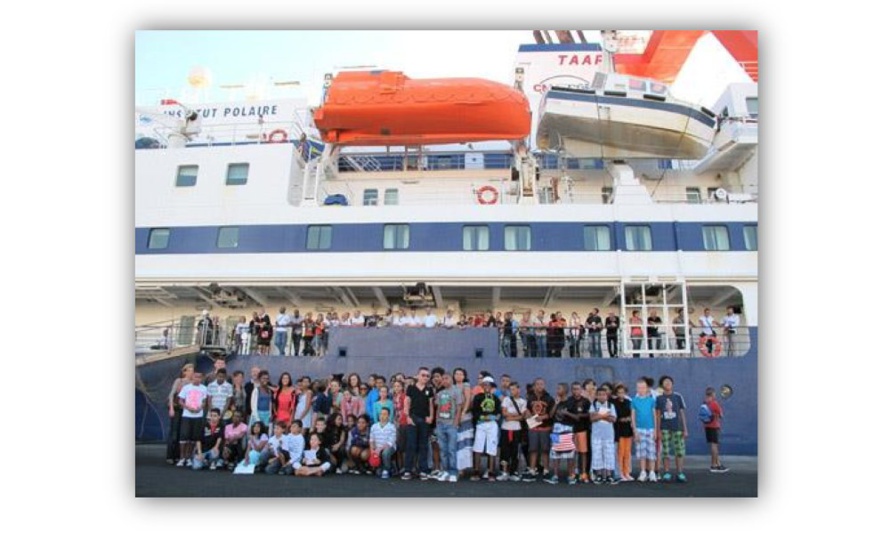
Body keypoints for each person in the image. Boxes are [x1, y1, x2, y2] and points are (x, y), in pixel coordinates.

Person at [401, 367, 434, 480]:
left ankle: (423, 470)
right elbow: (406, 403)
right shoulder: (411, 388)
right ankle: (408, 470)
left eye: (427, 376)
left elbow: (430, 405)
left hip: (424, 420)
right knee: (411, 445)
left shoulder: (429, 390)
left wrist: (431, 417)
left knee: (423, 446)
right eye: (423, 375)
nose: (425, 377)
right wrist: (408, 417)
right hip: (413, 419)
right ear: (418, 376)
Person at [656, 375, 688, 482]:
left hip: (678, 428)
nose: (667, 383)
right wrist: (658, 430)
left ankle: (680, 473)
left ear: (672, 384)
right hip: (664, 428)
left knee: (679, 452)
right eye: (665, 382)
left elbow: (682, 413)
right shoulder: (659, 399)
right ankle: (667, 472)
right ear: (662, 385)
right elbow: (658, 415)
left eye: (669, 381)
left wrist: (685, 429)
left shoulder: (678, 397)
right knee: (665, 451)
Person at [523, 377, 555, 481]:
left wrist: (542, 417)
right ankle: (532, 470)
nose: (540, 386)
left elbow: (551, 414)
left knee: (545, 450)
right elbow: (527, 410)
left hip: (545, 428)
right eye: (537, 384)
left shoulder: (549, 398)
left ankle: (546, 470)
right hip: (533, 428)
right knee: (533, 450)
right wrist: (527, 413)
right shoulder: (530, 398)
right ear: (534, 386)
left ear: (544, 385)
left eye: (541, 384)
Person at [471, 376, 501, 481]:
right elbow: (475, 411)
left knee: (492, 448)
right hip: (481, 424)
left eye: (489, 384)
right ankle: (476, 471)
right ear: (482, 386)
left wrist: (494, 417)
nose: (487, 386)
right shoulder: (478, 397)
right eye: (485, 384)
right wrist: (484, 417)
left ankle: (491, 472)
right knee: (477, 447)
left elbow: (498, 412)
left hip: (492, 425)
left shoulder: (496, 398)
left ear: (492, 386)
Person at [433, 372, 462, 483]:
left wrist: (456, 422)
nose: (444, 380)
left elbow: (459, 408)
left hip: (451, 425)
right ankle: (445, 471)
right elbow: (438, 408)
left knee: (451, 449)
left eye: (447, 378)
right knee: (443, 450)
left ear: (451, 379)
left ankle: (453, 472)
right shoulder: (440, 393)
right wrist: (436, 422)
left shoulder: (456, 391)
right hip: (440, 424)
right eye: (443, 379)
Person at [176, 371, 209, 467]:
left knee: (193, 437)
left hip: (198, 416)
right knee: (184, 436)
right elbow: (180, 401)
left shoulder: (204, 388)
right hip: (187, 415)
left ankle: (188, 457)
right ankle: (182, 458)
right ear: (192, 378)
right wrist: (188, 408)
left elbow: (204, 401)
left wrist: (200, 408)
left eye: (199, 377)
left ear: (201, 378)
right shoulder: (186, 388)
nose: (197, 379)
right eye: (195, 377)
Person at [547, 383, 578, 484]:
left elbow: (577, 417)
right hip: (556, 429)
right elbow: (551, 415)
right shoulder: (555, 401)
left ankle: (570, 476)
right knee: (555, 452)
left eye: (559, 388)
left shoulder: (571, 402)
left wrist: (567, 413)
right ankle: (555, 475)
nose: (557, 390)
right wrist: (556, 404)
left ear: (565, 390)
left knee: (570, 453)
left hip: (567, 429)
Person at [563, 382, 592, 482]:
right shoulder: (568, 401)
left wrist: (580, 416)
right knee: (571, 453)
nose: (576, 391)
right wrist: (572, 415)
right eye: (574, 389)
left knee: (583, 452)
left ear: (581, 390)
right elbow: (565, 415)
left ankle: (583, 473)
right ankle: (572, 473)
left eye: (578, 389)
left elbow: (589, 415)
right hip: (571, 430)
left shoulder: (586, 401)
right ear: (572, 390)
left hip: (582, 430)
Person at [589, 386, 618, 484]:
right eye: (599, 395)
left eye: (603, 395)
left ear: (607, 396)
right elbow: (592, 418)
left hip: (608, 435)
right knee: (597, 455)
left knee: (609, 455)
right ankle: (599, 475)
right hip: (596, 436)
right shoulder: (593, 405)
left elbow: (613, 419)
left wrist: (599, 416)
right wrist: (605, 416)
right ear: (596, 396)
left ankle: (609, 475)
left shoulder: (611, 405)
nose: (601, 397)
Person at [499, 381, 527, 481]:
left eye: (513, 389)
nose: (511, 391)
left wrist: (511, 417)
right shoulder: (506, 399)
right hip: (505, 429)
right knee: (504, 451)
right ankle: (504, 472)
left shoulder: (523, 402)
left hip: (517, 430)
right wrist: (515, 416)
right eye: (510, 389)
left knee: (515, 451)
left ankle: (513, 472)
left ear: (518, 390)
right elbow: (504, 413)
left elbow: (522, 417)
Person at [631, 378, 658, 482]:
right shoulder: (634, 401)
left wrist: (655, 430)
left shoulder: (651, 400)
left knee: (651, 452)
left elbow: (654, 415)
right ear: (636, 389)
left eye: (643, 387)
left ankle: (651, 472)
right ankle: (643, 472)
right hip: (639, 429)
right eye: (639, 387)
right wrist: (635, 431)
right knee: (642, 452)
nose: (641, 389)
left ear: (647, 389)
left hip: (650, 429)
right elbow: (633, 416)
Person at [166, 363, 193, 464]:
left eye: (192, 370)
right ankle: (170, 455)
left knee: (182, 433)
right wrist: (171, 408)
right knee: (174, 432)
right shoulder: (179, 381)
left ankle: (178, 455)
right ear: (184, 371)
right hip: (177, 408)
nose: (191, 372)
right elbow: (172, 394)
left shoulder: (192, 383)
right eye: (189, 370)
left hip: (186, 410)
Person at [702, 387, 729, 473]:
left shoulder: (704, 403)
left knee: (713, 446)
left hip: (707, 427)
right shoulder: (714, 403)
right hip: (714, 427)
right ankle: (713, 466)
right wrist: (718, 412)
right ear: (713, 394)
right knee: (715, 446)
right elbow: (721, 415)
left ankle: (718, 464)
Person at [612, 383, 634, 481]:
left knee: (627, 453)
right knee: (620, 453)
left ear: (625, 393)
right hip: (619, 430)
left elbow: (632, 414)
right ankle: (620, 473)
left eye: (623, 392)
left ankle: (626, 473)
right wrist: (621, 419)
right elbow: (615, 416)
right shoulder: (613, 403)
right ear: (616, 393)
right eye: (619, 392)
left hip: (628, 431)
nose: (621, 394)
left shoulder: (628, 402)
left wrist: (629, 418)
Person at [369, 407, 398, 479]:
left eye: (385, 414)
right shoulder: (374, 426)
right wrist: (372, 450)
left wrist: (379, 449)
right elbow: (371, 440)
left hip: (389, 448)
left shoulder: (392, 427)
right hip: (377, 448)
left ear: (388, 416)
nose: (382, 416)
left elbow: (390, 442)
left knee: (385, 452)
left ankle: (386, 469)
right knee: (378, 473)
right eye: (381, 414)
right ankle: (389, 466)